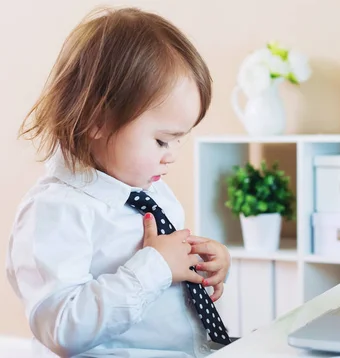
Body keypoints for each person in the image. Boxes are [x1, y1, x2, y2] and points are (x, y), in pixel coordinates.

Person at [6, 6, 232, 358]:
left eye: (179, 139)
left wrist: (201, 266)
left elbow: (165, 288)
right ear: (98, 120)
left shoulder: (150, 190)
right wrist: (155, 267)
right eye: (162, 140)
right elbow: (62, 327)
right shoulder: (56, 211)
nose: (172, 154)